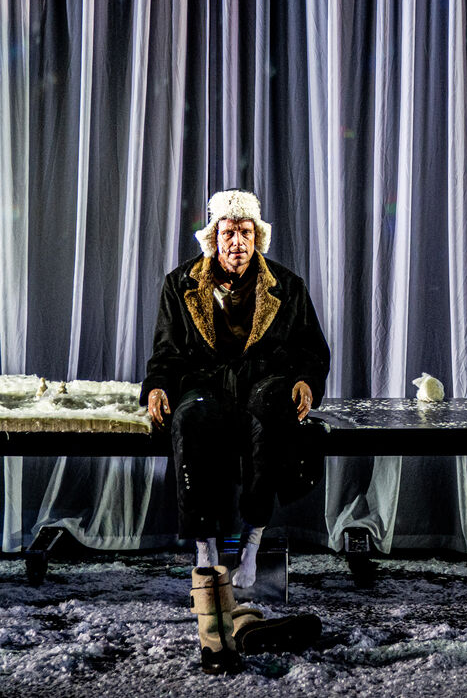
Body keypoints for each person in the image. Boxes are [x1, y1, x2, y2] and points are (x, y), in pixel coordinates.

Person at [140, 189, 329, 670]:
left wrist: (306, 382)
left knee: (269, 416)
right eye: (229, 232)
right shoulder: (180, 284)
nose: (237, 242)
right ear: (214, 237)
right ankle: (205, 552)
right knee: (189, 419)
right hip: (203, 381)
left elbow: (312, 349)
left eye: (246, 232)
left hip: (264, 381)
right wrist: (157, 386)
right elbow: (166, 352)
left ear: (257, 237)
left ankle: (252, 539)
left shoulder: (286, 286)